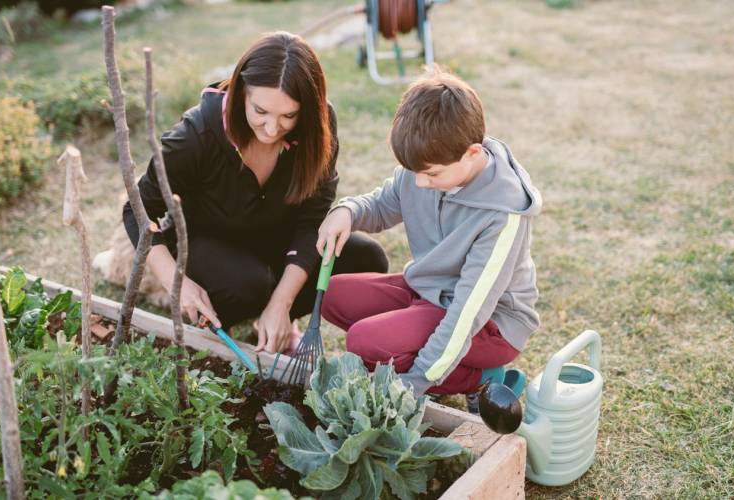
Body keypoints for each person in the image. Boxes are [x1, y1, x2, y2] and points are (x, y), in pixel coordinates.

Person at [122, 32, 388, 353]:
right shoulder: (197, 135)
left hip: (276, 242)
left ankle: (276, 319)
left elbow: (311, 220)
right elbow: (137, 210)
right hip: (210, 248)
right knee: (250, 285)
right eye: (260, 111)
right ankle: (228, 317)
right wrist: (176, 283)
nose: (272, 129)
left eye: (288, 115)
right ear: (241, 93)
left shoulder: (318, 126)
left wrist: (283, 303)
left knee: (365, 258)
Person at [316, 69, 542, 398]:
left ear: (473, 154)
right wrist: (346, 211)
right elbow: (383, 205)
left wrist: (416, 381)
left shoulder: (503, 215)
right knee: (332, 296)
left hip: (489, 324)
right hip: (428, 291)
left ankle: (480, 377)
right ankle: (419, 345)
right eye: (414, 172)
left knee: (364, 341)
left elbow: (468, 312)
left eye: (431, 174)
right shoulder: (428, 164)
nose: (420, 183)